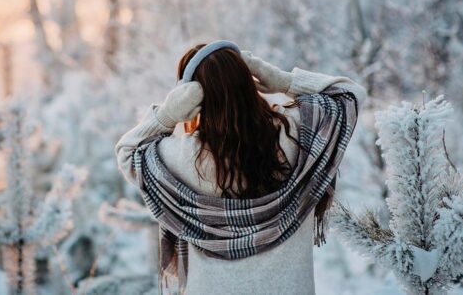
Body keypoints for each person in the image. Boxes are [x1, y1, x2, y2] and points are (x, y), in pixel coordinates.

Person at [115, 41, 366, 295]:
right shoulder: (298, 133)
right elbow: (349, 93)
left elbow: (128, 153)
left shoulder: (182, 156)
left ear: (192, 97)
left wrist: (167, 115)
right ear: (248, 81)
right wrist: (284, 80)